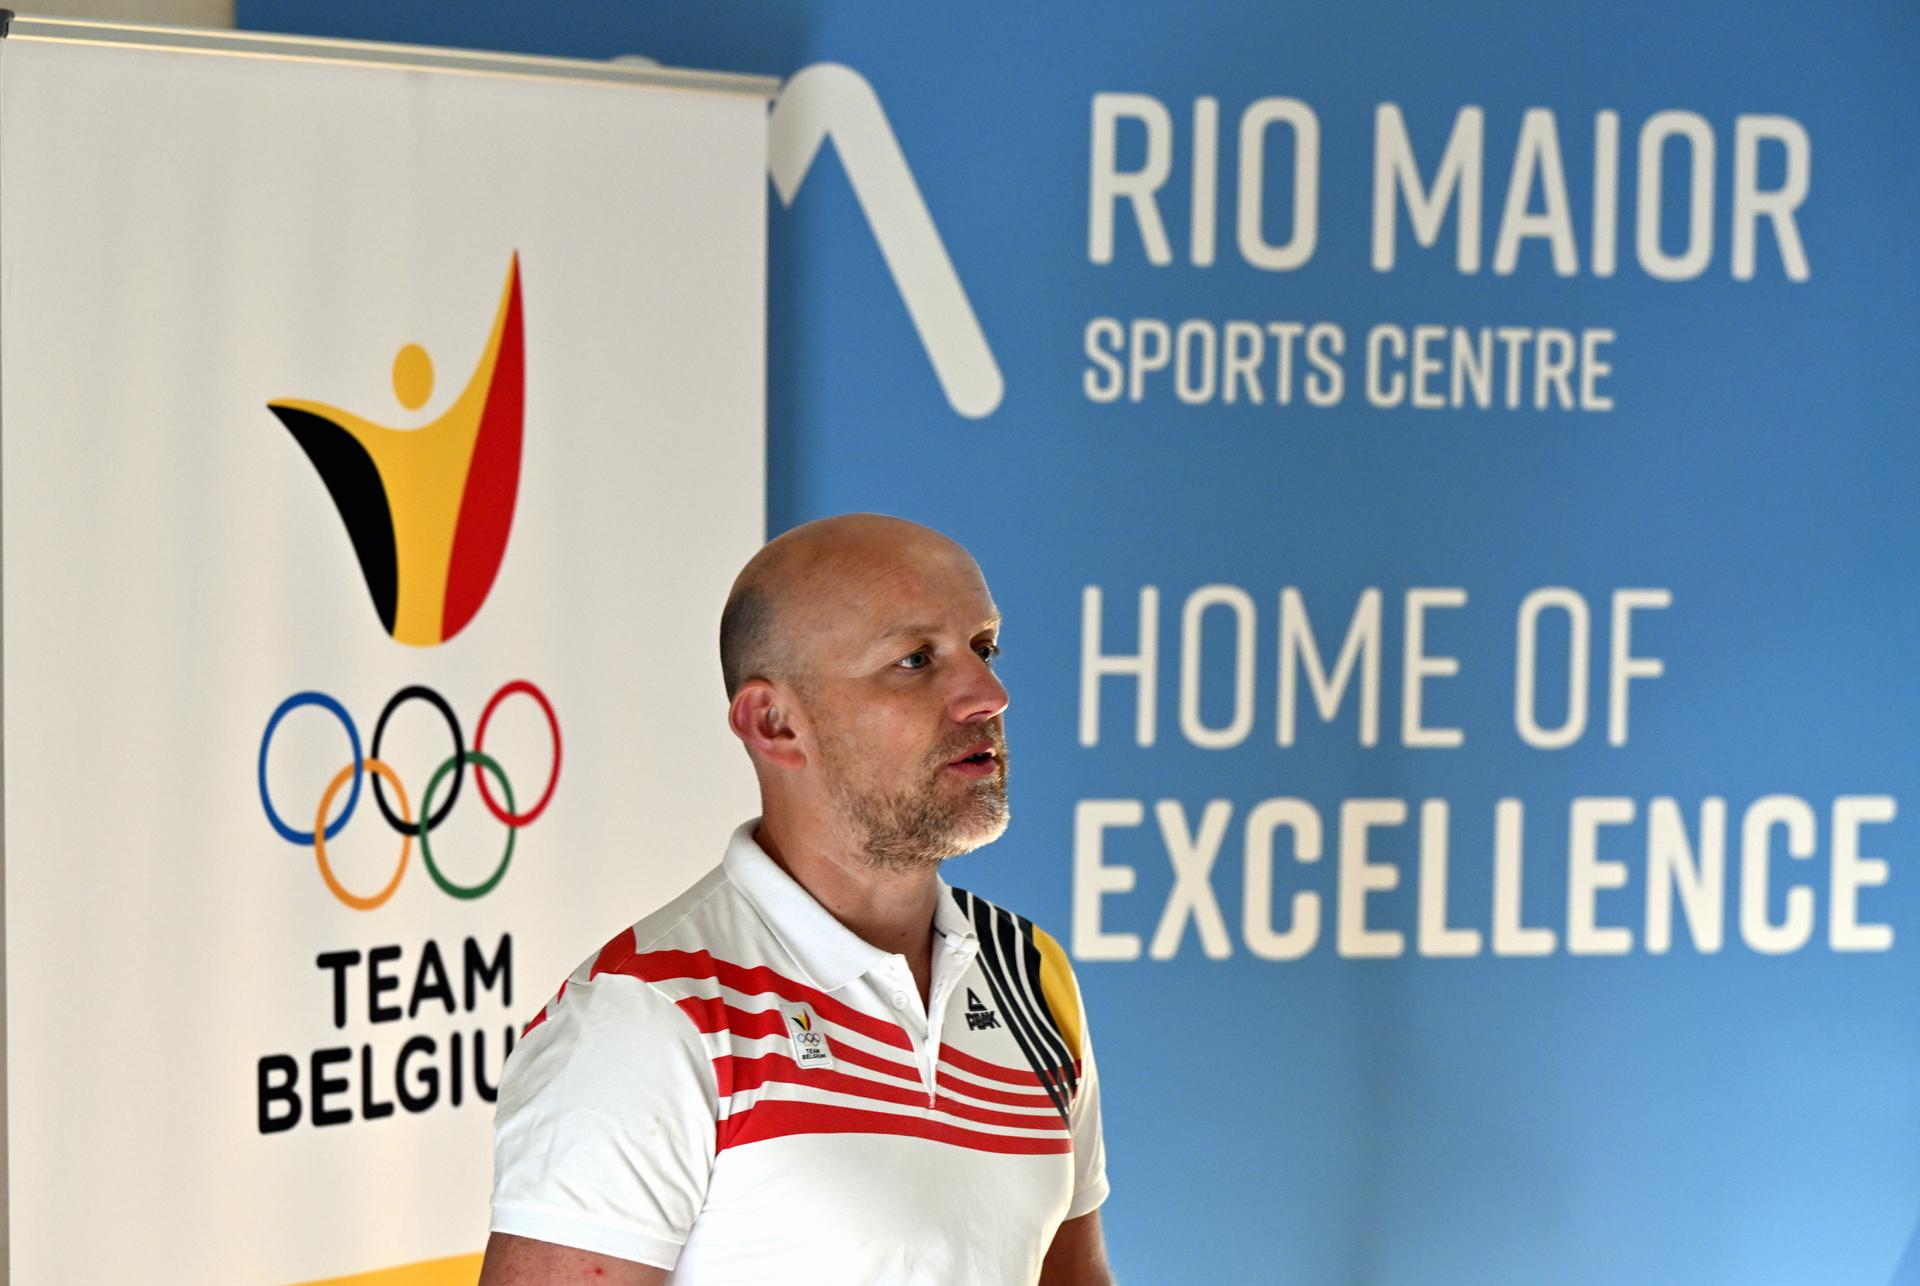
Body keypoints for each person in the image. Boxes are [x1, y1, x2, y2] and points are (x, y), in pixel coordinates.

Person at [479, 514, 1114, 1285]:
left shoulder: (1029, 976)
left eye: (983, 648)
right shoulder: (648, 1016)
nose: (989, 694)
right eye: (916, 660)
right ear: (775, 723)